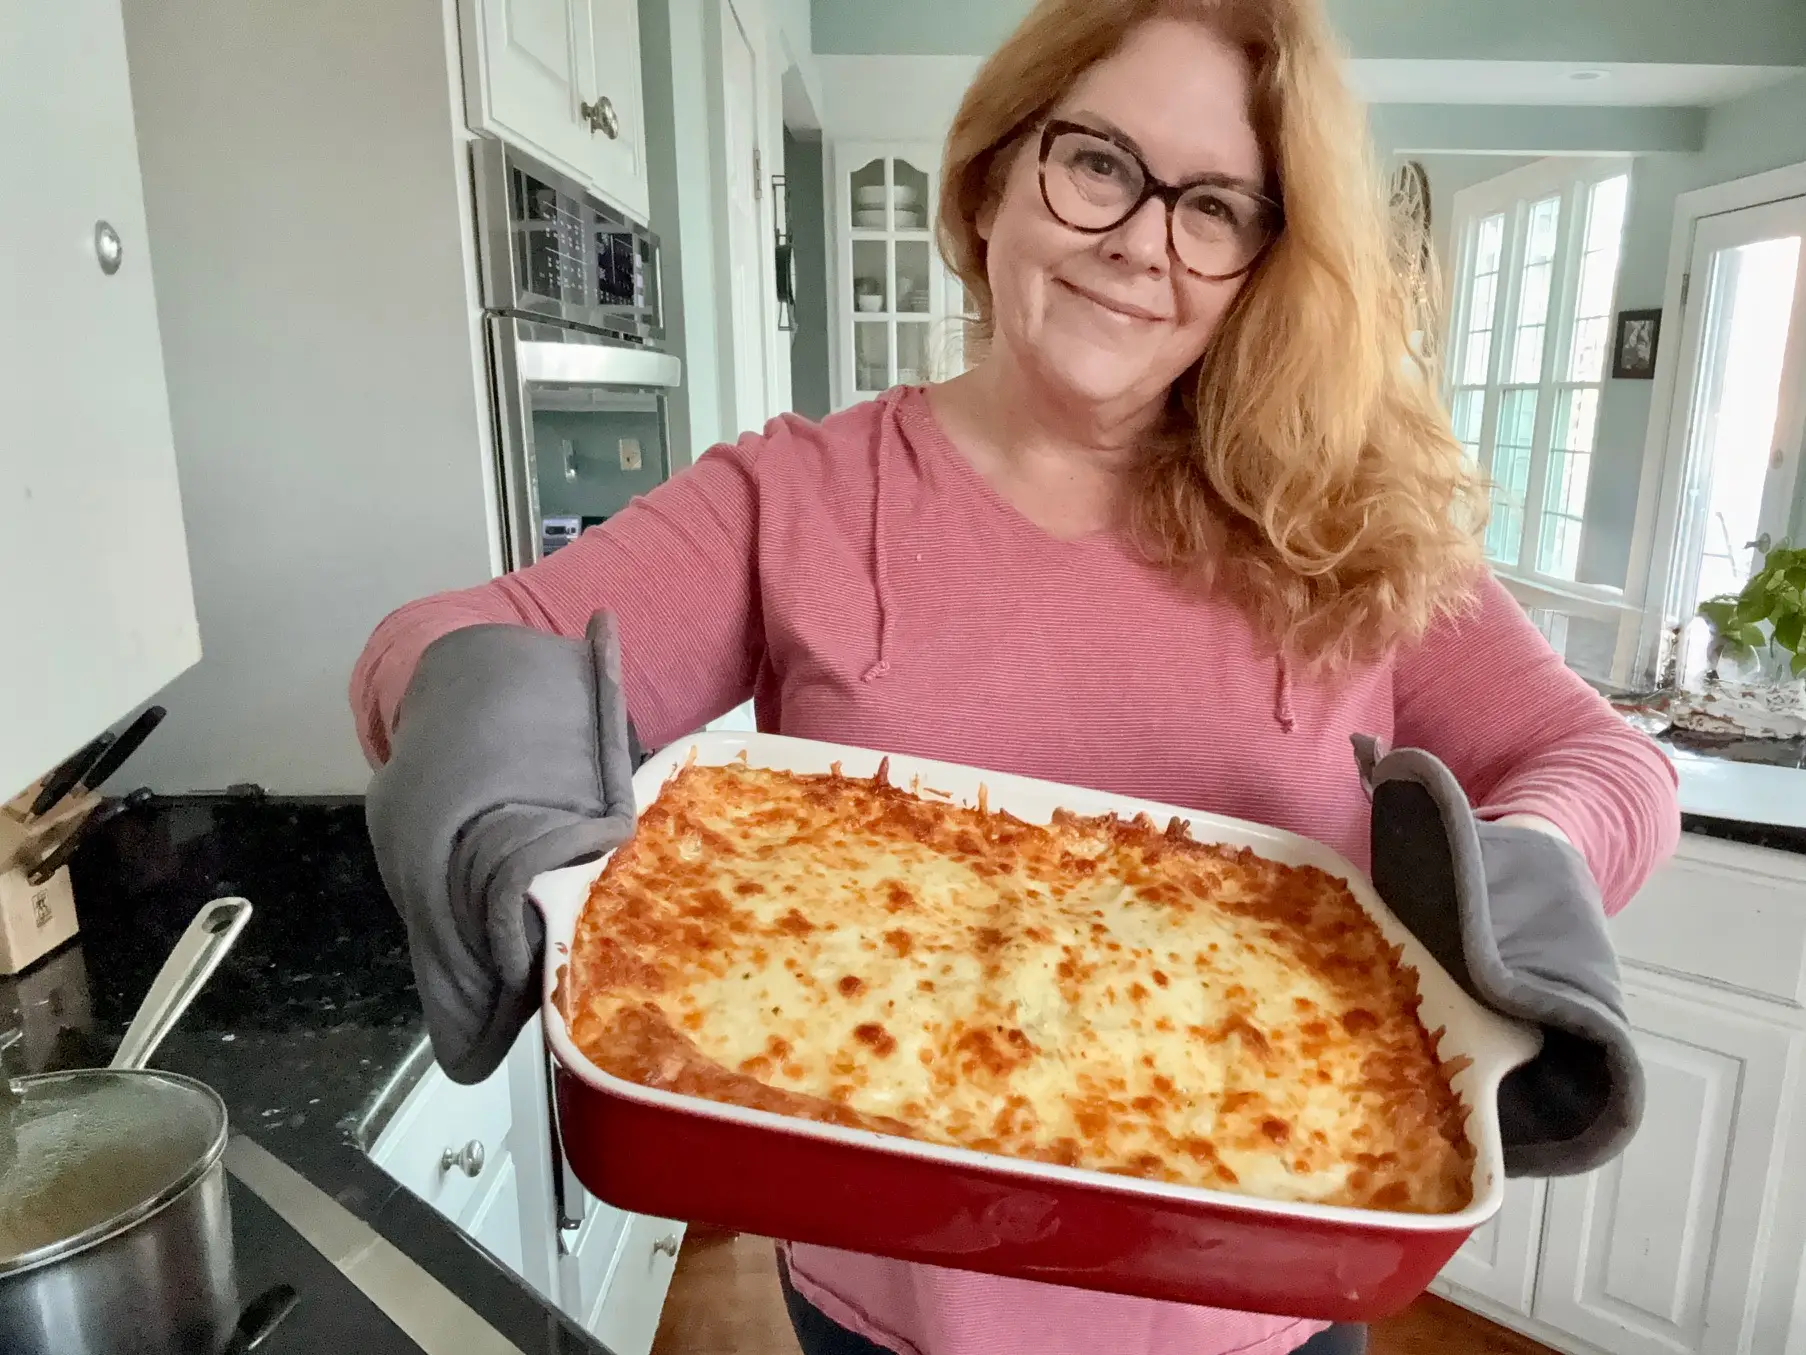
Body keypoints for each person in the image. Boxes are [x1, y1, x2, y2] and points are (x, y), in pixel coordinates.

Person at [351, 0, 1680, 1351]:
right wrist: (498, 795)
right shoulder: (801, 498)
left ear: (1263, 262)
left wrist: (1494, 883)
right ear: (992, 175)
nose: (1140, 242)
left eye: (1214, 206)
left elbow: (1607, 764)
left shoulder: (1341, 526)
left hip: (1268, 1293)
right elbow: (450, 636)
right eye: (1098, 161)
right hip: (885, 1312)